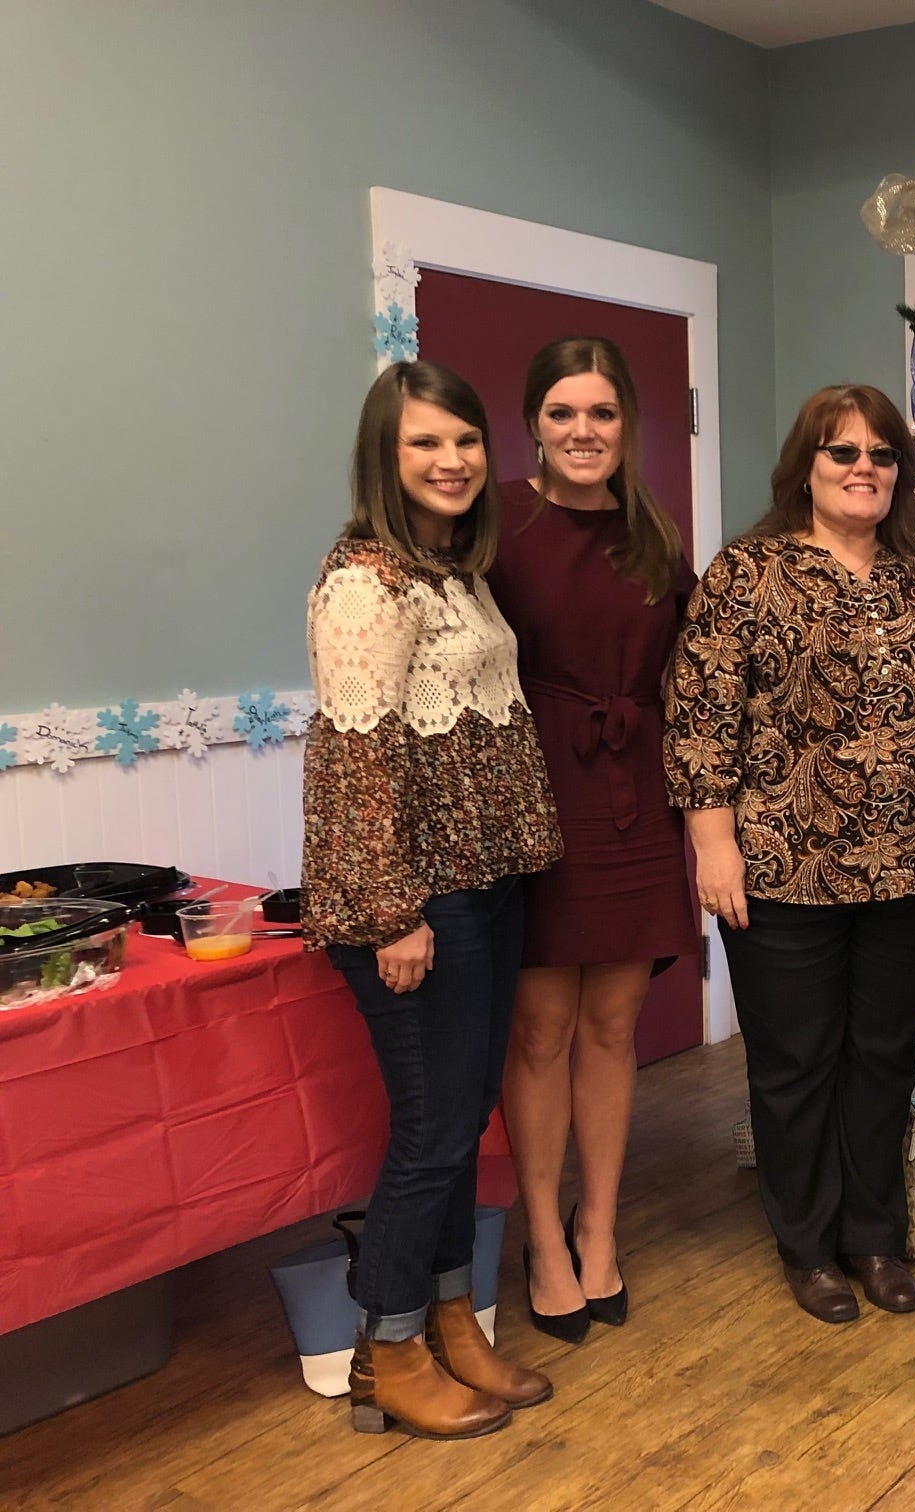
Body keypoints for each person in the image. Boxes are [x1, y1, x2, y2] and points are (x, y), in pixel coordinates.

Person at [302, 360, 563, 1437]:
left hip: (483, 881)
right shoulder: (368, 579)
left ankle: (456, 1322)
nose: (451, 460)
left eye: (464, 440)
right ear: (385, 454)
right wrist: (392, 912)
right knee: (433, 1130)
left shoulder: (452, 570)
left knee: (463, 1119)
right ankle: (390, 1350)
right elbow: (356, 756)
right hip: (416, 899)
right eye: (424, 442)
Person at [665, 384, 915, 1325]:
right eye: (843, 452)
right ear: (807, 467)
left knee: (880, 1058)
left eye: (881, 454)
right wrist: (713, 846)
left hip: (913, 863)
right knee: (794, 1066)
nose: (863, 468)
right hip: (781, 865)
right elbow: (700, 717)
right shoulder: (746, 573)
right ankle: (807, 1246)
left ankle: (873, 1237)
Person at [488, 336, 698, 1344]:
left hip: (634, 794)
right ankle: (542, 1236)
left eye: (602, 413)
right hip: (535, 791)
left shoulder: (652, 532)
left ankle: (597, 1227)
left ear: (627, 425)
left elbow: (695, 670)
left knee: (614, 1023)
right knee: (541, 1027)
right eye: (563, 413)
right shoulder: (494, 521)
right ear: (533, 422)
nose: (583, 431)